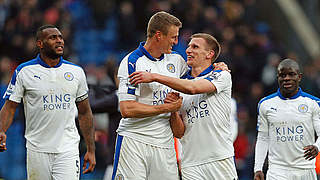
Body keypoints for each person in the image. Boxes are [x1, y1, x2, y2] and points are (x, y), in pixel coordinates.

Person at [129, 33, 238, 179]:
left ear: (209, 54)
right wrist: (173, 110)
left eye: (195, 47)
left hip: (218, 158)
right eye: (188, 46)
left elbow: (193, 88)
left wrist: (155, 76)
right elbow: (179, 132)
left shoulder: (221, 75)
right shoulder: (179, 84)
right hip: (190, 163)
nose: (188, 50)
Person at [0, 25, 96, 180]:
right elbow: (10, 107)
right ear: (40, 43)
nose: (59, 41)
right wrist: (1, 130)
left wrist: (91, 149)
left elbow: (85, 112)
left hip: (68, 149)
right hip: (37, 149)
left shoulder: (76, 72)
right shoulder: (24, 71)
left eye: (60, 37)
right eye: (53, 38)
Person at [112, 11, 188, 180]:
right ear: (159, 35)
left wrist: (217, 67)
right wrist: (166, 108)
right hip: (134, 140)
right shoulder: (132, 62)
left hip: (165, 143)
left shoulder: (176, 61)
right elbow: (127, 108)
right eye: (173, 37)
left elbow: (197, 78)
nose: (176, 42)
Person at [253, 59, 320, 180]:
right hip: (277, 170)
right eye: (282, 75)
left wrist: (317, 147)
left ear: (299, 77)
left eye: (291, 74)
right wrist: (258, 168)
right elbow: (263, 137)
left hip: (305, 169)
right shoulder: (265, 104)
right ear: (277, 77)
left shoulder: (314, 103)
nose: (286, 78)